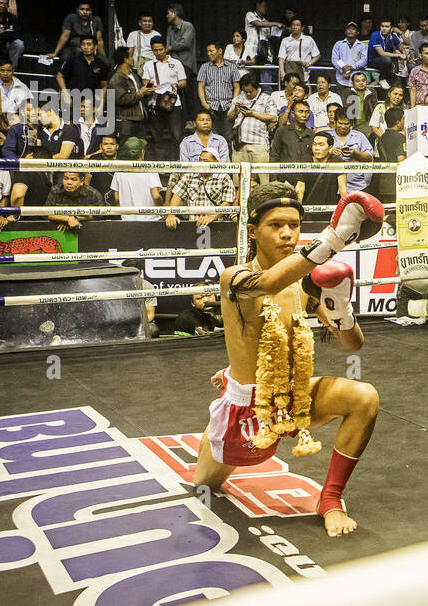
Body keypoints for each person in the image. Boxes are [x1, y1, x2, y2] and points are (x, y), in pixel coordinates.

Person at [199, 183, 385, 537]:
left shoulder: (305, 282)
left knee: (365, 397)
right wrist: (338, 236)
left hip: (297, 398)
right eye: (276, 225)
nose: (287, 233)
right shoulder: (235, 278)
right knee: (205, 485)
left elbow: (353, 345)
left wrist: (341, 311)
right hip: (249, 409)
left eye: (295, 225)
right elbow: (269, 284)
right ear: (252, 231)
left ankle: (329, 498)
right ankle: (221, 404)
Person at [165, 151, 236, 230]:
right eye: (200, 160)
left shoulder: (224, 177)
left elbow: (227, 202)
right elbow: (177, 195)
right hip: (193, 225)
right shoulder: (189, 175)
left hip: (216, 226)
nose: (201, 163)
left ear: (216, 162)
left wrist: (211, 217)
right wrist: (171, 214)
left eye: (205, 161)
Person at [227, 73, 276, 183]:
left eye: (250, 91)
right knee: (238, 179)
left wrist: (253, 114)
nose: (248, 94)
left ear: (257, 88)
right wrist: (235, 109)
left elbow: (273, 118)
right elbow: (229, 117)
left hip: (258, 144)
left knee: (263, 179)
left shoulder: (267, 99)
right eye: (245, 91)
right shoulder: (238, 98)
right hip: (239, 144)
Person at [109, 137, 165, 220]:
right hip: (150, 220)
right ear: (142, 153)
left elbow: (117, 199)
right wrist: (162, 208)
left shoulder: (119, 171)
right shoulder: (150, 169)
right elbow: (156, 196)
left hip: (128, 221)